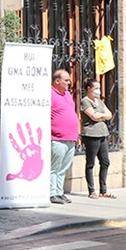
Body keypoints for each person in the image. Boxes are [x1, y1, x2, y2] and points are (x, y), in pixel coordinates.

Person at [80, 78, 114, 199]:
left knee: (105, 162)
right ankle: (92, 190)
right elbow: (93, 116)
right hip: (91, 135)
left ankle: (103, 190)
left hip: (102, 134)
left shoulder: (99, 101)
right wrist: (101, 116)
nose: (98, 91)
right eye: (96, 88)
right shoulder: (85, 101)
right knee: (91, 163)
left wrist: (102, 115)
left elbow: (109, 114)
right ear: (89, 89)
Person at [51, 69, 79, 204]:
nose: (69, 82)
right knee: (54, 168)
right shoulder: (50, 94)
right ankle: (52, 193)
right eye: (66, 80)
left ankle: (59, 192)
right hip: (57, 138)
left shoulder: (68, 94)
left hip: (70, 138)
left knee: (63, 168)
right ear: (57, 81)